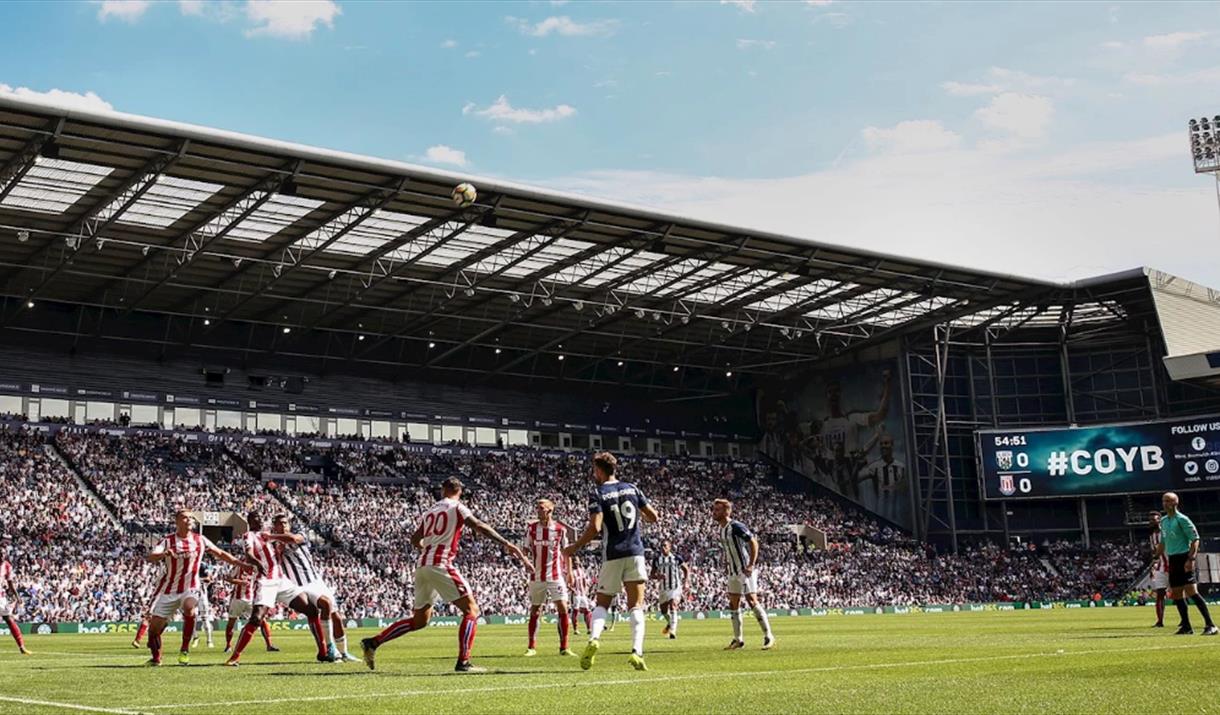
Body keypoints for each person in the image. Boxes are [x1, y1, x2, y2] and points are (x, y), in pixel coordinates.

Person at [360, 477, 531, 673]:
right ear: (460, 491)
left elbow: (415, 539)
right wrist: (505, 542)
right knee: (471, 610)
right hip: (440, 564)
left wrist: (428, 548)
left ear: (443, 490)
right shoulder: (457, 507)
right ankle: (463, 662)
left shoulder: (431, 510)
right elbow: (478, 525)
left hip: (423, 565)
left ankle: (373, 642)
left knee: (419, 621)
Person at [563, 451, 659, 672]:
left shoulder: (598, 492)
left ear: (599, 470)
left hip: (613, 553)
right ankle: (637, 652)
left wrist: (575, 547)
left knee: (602, 603)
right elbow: (653, 516)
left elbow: (596, 527)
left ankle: (594, 639)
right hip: (636, 552)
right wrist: (637, 518)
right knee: (636, 605)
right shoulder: (633, 488)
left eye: (593, 469)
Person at [144, 509, 250, 666]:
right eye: (185, 518)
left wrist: (240, 563)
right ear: (177, 521)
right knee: (153, 631)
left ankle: (185, 649)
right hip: (170, 590)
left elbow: (220, 553)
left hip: (191, 587)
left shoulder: (200, 539)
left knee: (189, 608)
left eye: (191, 518)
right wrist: (165, 554)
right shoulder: (167, 541)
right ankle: (156, 658)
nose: (189, 521)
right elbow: (151, 557)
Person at [225, 511, 326, 666]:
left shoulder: (269, 535)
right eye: (256, 518)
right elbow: (248, 554)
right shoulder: (249, 536)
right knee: (256, 618)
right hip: (265, 581)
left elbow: (286, 545)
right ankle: (234, 657)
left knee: (311, 610)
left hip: (282, 580)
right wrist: (257, 564)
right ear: (250, 521)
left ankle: (323, 652)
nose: (260, 519)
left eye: (261, 517)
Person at [272, 513, 358, 662]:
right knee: (326, 604)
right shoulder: (275, 545)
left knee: (336, 616)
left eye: (285, 523)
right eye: (280, 523)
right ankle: (330, 647)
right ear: (275, 526)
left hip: (316, 581)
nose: (283, 526)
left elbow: (293, 539)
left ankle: (344, 652)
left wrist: (271, 536)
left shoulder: (298, 535)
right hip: (301, 585)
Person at [712, 498, 774, 650]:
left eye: (717, 510)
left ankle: (768, 636)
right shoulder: (722, 529)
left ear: (726, 511)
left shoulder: (736, 526)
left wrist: (751, 564)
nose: (714, 513)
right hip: (733, 571)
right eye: (714, 510)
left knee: (752, 601)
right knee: (733, 603)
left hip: (744, 570)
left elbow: (753, 542)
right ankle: (738, 639)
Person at [1156, 493, 1217, 636]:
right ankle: (1186, 626)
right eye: (1164, 501)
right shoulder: (1164, 521)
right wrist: (1155, 556)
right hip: (1173, 559)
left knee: (1191, 591)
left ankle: (1210, 624)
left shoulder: (1182, 519)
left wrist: (1191, 559)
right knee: (1176, 593)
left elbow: (1195, 539)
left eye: (1168, 501)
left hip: (1184, 558)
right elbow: (1163, 541)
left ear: (1175, 503)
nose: (1165, 504)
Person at [522, 499, 574, 657]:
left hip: (555, 575)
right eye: (537, 508)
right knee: (535, 609)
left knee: (563, 608)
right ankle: (531, 647)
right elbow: (524, 550)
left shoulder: (560, 529)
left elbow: (566, 552)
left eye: (541, 508)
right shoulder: (531, 529)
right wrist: (526, 563)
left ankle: (564, 647)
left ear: (550, 510)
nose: (538, 511)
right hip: (537, 576)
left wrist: (570, 572)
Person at [222, 565, 277, 654]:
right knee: (231, 622)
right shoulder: (238, 566)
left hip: (252, 599)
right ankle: (228, 645)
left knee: (262, 620)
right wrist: (240, 582)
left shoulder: (258, 567)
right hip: (238, 599)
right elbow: (227, 578)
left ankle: (269, 645)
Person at [653, 540, 689, 639]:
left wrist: (686, 582)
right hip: (663, 588)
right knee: (663, 611)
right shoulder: (657, 559)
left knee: (673, 605)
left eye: (665, 546)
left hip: (675, 587)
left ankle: (673, 631)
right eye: (662, 546)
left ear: (670, 547)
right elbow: (652, 574)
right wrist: (658, 576)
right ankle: (669, 623)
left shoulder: (676, 558)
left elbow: (686, 569)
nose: (663, 548)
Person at [0, 547, 30, 655]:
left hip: (1, 598)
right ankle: (21, 647)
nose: (2, 556)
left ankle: (21, 647)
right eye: (0, 554)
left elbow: (10, 583)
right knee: (8, 619)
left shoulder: (7, 566)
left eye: (3, 554)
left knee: (9, 619)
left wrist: (17, 597)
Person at [1148, 511, 1170, 628]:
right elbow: (1154, 554)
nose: (1151, 522)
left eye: (1154, 520)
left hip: (1173, 565)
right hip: (1160, 567)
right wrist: (1153, 566)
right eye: (1150, 520)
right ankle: (1160, 621)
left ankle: (1184, 620)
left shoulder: (1166, 533)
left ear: (1159, 520)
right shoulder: (1152, 537)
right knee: (1160, 594)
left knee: (1179, 594)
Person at [569, 560, 593, 635]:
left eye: (577, 562)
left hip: (582, 594)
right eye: (575, 562)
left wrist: (585, 590)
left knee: (587, 610)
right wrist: (573, 590)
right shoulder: (571, 572)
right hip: (576, 594)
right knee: (576, 610)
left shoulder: (581, 571)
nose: (576, 564)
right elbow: (568, 584)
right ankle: (575, 629)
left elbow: (584, 582)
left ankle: (589, 628)